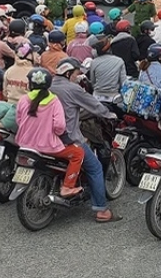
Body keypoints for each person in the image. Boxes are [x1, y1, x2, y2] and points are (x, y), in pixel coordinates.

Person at [50, 58, 120, 222]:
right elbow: (94, 105)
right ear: (68, 73)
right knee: (95, 168)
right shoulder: (73, 89)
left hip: (45, 138)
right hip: (69, 138)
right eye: (76, 73)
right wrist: (110, 114)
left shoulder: (48, 86)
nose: (78, 76)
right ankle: (102, 211)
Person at [16, 68, 85, 198]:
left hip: (25, 144)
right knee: (78, 153)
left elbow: (19, 120)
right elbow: (59, 126)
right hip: (48, 146)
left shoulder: (23, 99)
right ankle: (67, 187)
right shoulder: (53, 101)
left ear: (30, 84)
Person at [88, 36, 126, 101]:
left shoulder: (94, 62)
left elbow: (92, 81)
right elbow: (123, 82)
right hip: (114, 97)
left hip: (97, 97)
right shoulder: (119, 61)